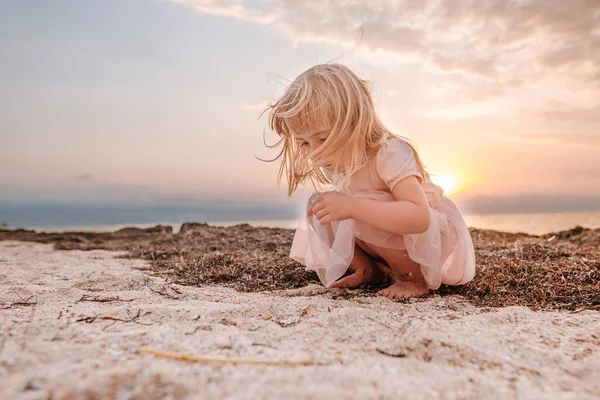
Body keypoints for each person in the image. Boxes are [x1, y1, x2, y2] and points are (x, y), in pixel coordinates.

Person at [263, 63, 475, 300]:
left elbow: (419, 218)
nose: (315, 153)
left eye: (322, 138)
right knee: (319, 206)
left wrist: (353, 207)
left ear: (355, 122)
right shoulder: (339, 160)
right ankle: (367, 270)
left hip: (427, 242)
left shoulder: (389, 153)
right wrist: (347, 207)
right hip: (392, 235)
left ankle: (412, 278)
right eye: (304, 143)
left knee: (359, 203)